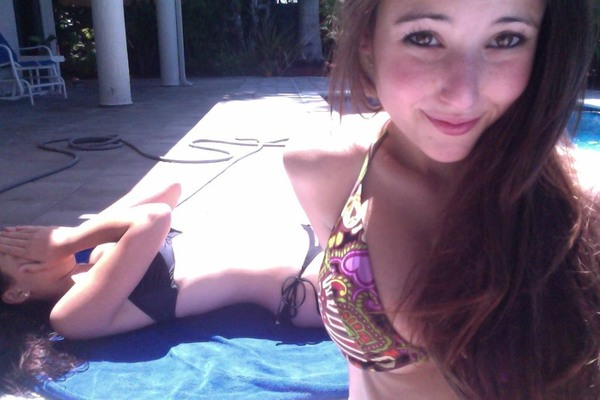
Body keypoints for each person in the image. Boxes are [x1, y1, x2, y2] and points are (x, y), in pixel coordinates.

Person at [283, 0, 600, 399]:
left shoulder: (582, 208)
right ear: (367, 39)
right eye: (424, 37)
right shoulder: (323, 170)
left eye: (506, 39)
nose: (463, 96)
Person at [0, 181, 324, 395]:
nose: (31, 240)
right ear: (16, 293)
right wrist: (69, 240)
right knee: (311, 157)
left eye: (19, 237)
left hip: (314, 237)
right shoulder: (71, 316)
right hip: (307, 283)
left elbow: (168, 190)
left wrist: (76, 234)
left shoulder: (96, 253)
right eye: (13, 251)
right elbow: (155, 217)